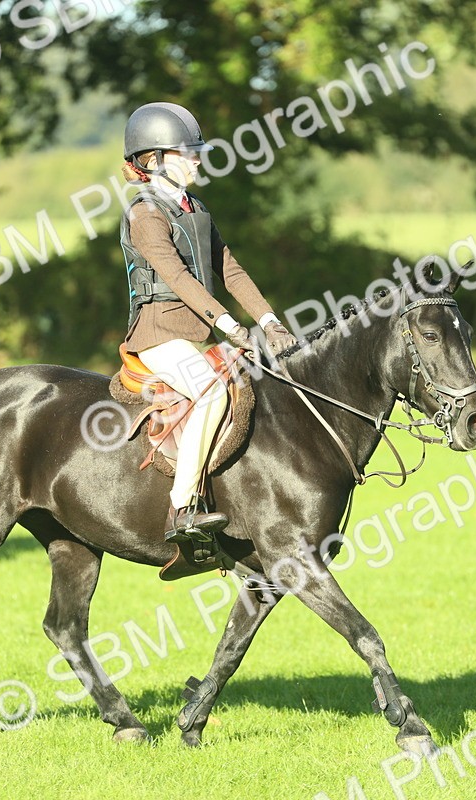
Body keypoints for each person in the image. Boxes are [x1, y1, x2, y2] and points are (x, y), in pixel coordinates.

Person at [119, 101, 297, 545]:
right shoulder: (144, 215)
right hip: (157, 335)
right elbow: (177, 279)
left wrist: (270, 320)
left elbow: (230, 270)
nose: (198, 157)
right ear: (153, 159)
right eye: (187, 151)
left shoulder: (195, 209)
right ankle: (182, 509)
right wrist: (230, 326)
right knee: (213, 390)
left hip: (191, 335)